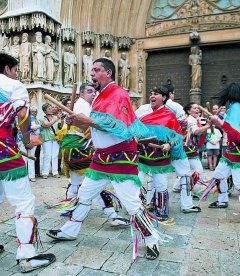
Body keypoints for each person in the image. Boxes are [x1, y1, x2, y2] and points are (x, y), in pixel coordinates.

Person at [47, 58, 169, 260]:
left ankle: (152, 240)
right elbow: (96, 126)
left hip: (120, 157)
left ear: (109, 73)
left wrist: (86, 120)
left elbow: (117, 127)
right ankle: (70, 231)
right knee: (85, 194)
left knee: (131, 203)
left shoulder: (118, 93)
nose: (92, 73)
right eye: (91, 70)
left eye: (96, 70)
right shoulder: (99, 96)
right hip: (101, 158)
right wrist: (78, 122)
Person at [0, 52, 55, 272]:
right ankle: (26, 255)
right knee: (23, 200)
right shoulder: (13, 85)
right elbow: (23, 116)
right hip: (0, 145)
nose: (16, 74)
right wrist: (26, 140)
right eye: (15, 70)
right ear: (7, 68)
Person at [56, 83, 130, 226]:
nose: (93, 94)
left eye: (94, 91)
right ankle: (111, 215)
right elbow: (89, 126)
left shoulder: (82, 105)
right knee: (95, 180)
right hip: (78, 149)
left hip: (72, 149)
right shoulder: (83, 105)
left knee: (77, 182)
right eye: (89, 91)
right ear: (81, 94)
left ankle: (70, 210)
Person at [201, 83, 240, 223]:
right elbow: (233, 128)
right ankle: (222, 200)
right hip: (231, 154)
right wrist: (216, 121)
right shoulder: (237, 108)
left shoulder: (237, 108)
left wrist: (218, 121)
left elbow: (238, 134)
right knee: (219, 175)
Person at [135, 86, 186, 221]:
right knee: (137, 182)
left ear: (163, 98)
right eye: (151, 93)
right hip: (142, 155)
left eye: (156, 94)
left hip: (160, 156)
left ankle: (161, 210)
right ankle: (139, 209)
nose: (152, 96)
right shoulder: (144, 112)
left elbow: (177, 136)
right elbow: (134, 129)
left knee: (160, 184)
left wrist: (170, 144)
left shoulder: (169, 115)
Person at [41, 103, 62, 179]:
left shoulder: (56, 117)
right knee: (47, 155)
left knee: (55, 155)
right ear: (44, 111)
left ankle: (55, 172)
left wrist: (60, 121)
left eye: (51, 108)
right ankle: (45, 172)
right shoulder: (42, 118)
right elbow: (47, 125)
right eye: (49, 109)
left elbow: (60, 127)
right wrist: (56, 119)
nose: (51, 110)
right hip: (47, 139)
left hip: (55, 139)